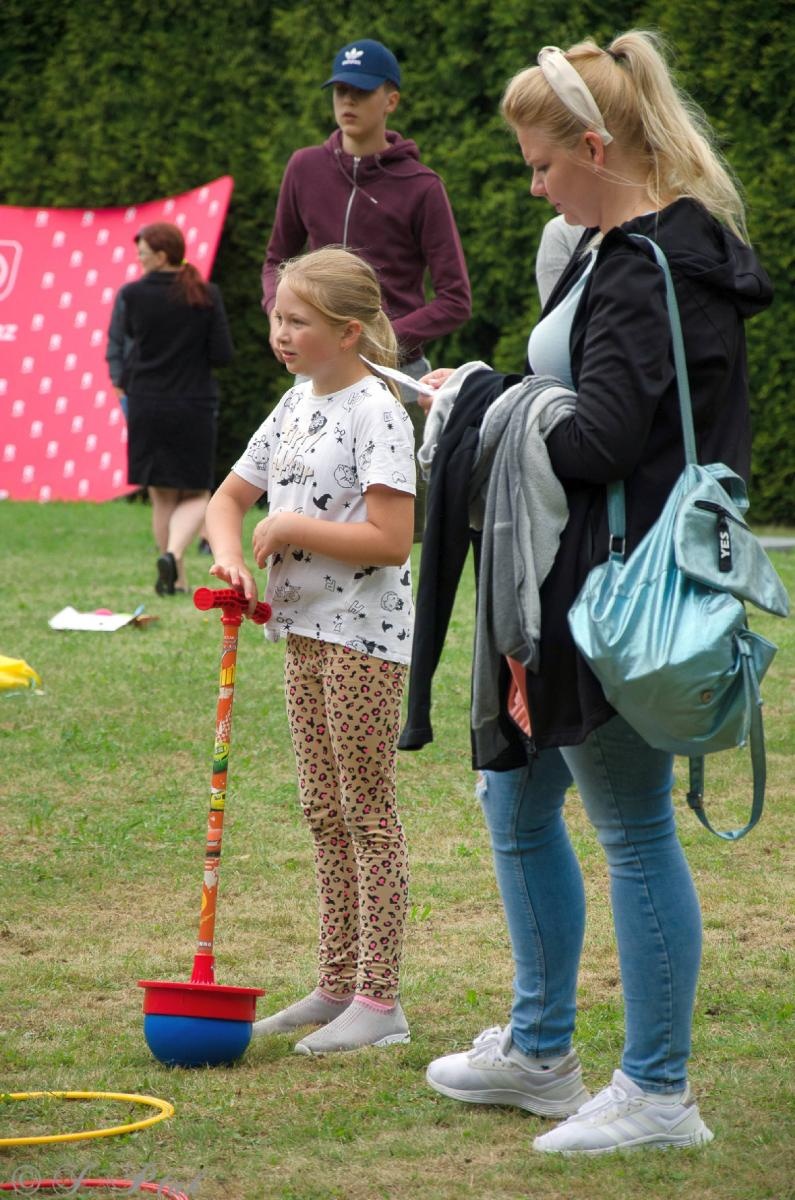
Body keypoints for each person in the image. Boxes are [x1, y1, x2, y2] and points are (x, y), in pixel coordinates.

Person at [421, 31, 772, 1153]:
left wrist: (488, 400)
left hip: (611, 597)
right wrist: (498, 396)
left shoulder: (650, 262)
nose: (534, 187)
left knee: (629, 828)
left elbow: (608, 436)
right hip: (559, 579)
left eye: (539, 165)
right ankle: (539, 1052)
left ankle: (660, 1094)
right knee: (514, 804)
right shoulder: (613, 250)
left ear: (592, 145)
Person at [205, 247, 416, 1054]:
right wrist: (229, 555)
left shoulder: (377, 411)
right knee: (322, 812)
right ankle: (334, 986)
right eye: (276, 318)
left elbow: (392, 540)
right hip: (300, 634)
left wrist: (289, 527)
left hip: (362, 639)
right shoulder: (294, 403)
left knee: (367, 813)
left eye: (297, 320)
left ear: (348, 330)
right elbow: (229, 499)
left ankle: (381, 1000)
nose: (279, 333)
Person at [261, 37, 472, 538]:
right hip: (315, 374)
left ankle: (396, 619)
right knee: (305, 509)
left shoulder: (422, 186)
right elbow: (275, 259)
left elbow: (455, 298)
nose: (347, 102)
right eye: (339, 91)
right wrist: (279, 313)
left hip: (397, 379)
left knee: (394, 530)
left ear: (391, 99)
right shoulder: (304, 168)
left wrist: (378, 336)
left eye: (360, 91)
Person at [122, 221, 233, 595]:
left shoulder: (132, 294)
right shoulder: (206, 293)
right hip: (193, 404)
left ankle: (174, 573)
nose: (138, 260)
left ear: (161, 255)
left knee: (161, 494)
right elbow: (222, 354)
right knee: (198, 492)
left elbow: (129, 346)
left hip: (145, 403)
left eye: (142, 254)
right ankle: (173, 556)